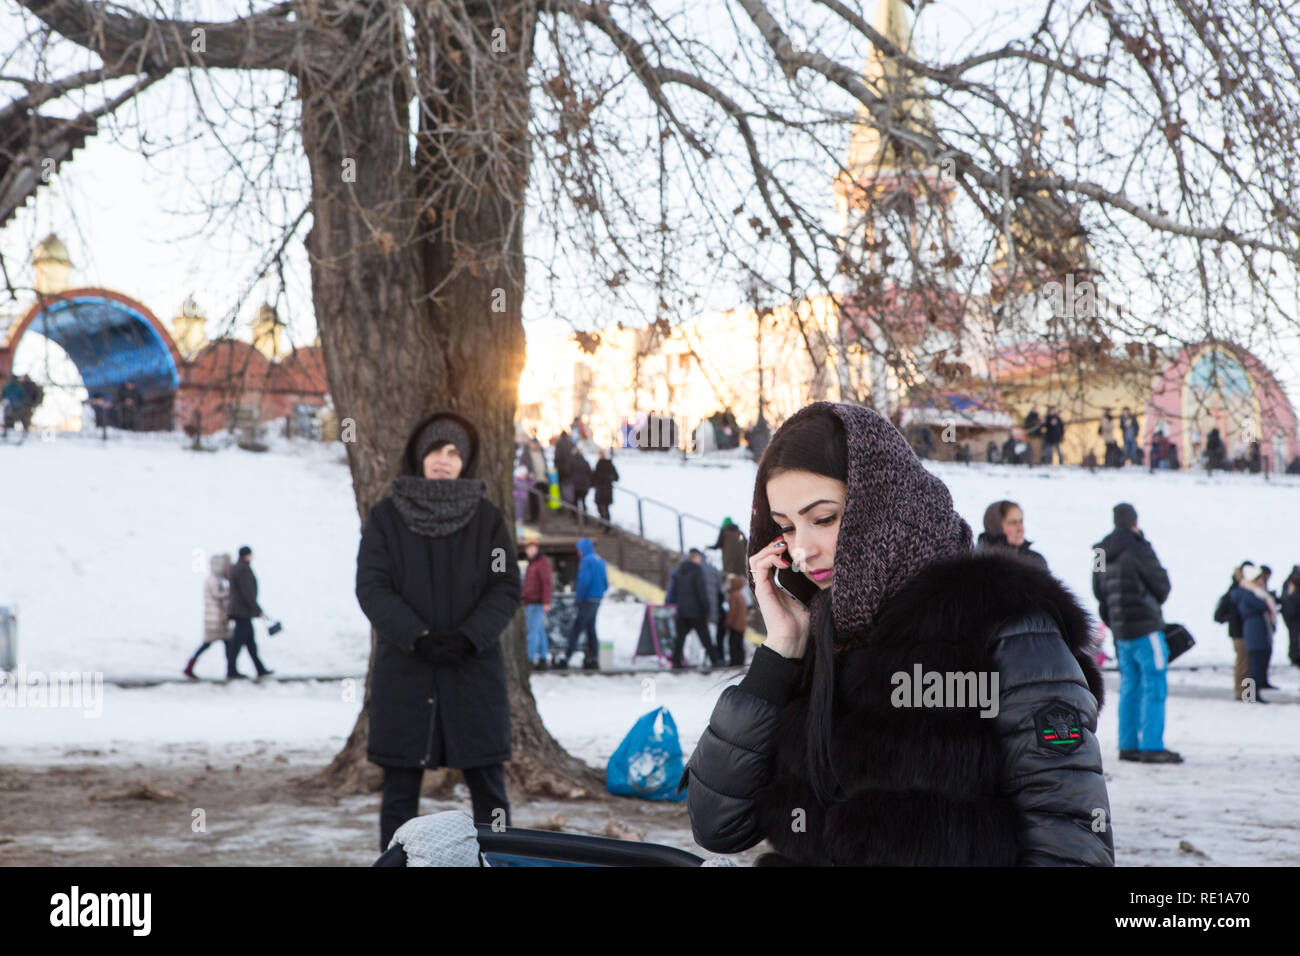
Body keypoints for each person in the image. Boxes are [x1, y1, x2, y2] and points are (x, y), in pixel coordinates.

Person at [682, 401, 1113, 865]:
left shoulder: (1007, 626)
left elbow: (1072, 847)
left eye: (824, 518)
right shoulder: (818, 633)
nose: (802, 550)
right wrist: (780, 652)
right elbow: (718, 825)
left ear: (885, 505)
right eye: (785, 528)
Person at [355, 410, 521, 850]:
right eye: (434, 449)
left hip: (472, 670)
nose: (443, 459)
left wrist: (470, 636)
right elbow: (372, 586)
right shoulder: (386, 518)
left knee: (490, 791)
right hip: (407, 671)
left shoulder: (488, 520)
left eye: (453, 452)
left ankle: (501, 862)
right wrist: (419, 636)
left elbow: (504, 585)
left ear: (465, 461)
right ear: (418, 455)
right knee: (399, 791)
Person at [1092, 503, 1179, 763]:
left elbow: (1098, 590)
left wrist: (1114, 615)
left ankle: (1127, 744)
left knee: (1130, 685)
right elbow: (1162, 585)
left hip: (1120, 629)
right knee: (1155, 684)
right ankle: (1152, 746)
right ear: (1134, 522)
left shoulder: (1100, 551)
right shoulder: (1140, 546)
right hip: (1146, 627)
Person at [183, 553, 233, 679]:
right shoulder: (213, 580)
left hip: (217, 618)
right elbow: (218, 595)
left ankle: (231, 669)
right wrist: (230, 593)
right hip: (215, 619)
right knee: (209, 644)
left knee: (226, 644)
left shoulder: (218, 580)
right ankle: (190, 666)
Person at [1231, 564, 1276, 703]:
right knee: (1252, 665)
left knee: (1254, 664)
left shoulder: (1252, 593)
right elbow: (1262, 606)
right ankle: (1250, 694)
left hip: (1258, 632)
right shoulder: (1248, 594)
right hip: (1255, 633)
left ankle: (1250, 694)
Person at [226, 546, 272, 679]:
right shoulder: (243, 569)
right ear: (247, 555)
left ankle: (259, 668)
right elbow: (247, 592)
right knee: (238, 643)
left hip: (240, 610)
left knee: (250, 642)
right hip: (243, 611)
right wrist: (256, 609)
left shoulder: (236, 567)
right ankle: (232, 670)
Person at [669, 548, 719, 670]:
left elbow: (674, 591)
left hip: (682, 610)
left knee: (680, 638)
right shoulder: (697, 570)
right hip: (696, 611)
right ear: (695, 558)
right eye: (699, 558)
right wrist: (706, 608)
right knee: (705, 637)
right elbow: (701, 591)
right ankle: (715, 661)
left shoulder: (679, 571)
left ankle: (676, 661)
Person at [562, 536, 606, 670]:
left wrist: (579, 598)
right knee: (591, 629)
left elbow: (584, 581)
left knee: (577, 628)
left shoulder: (586, 561)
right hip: (597, 599)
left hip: (587, 600)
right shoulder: (599, 560)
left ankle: (566, 657)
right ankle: (594, 658)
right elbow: (605, 582)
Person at [974, 500, 1048, 570]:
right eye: (1013, 522)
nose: (1020, 529)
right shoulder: (979, 563)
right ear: (995, 526)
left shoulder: (1035, 561)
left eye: (1021, 521)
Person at [1214, 562, 1249, 700]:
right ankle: (1245, 694)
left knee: (1244, 664)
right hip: (1240, 633)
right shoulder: (1238, 592)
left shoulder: (1233, 591)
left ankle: (1244, 693)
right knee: (1244, 664)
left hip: (1238, 632)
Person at [521, 539, 553, 670]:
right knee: (539, 632)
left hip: (537, 602)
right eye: (528, 548)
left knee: (532, 632)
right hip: (530, 601)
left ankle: (529, 659)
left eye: (533, 548)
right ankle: (543, 658)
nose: (530, 551)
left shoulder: (541, 563)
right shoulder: (532, 564)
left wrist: (546, 601)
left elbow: (546, 583)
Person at [721, 573, 749, 667]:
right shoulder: (741, 595)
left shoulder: (733, 595)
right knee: (739, 644)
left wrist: (728, 622)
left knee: (733, 644)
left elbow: (732, 611)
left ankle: (734, 662)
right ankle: (740, 661)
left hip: (735, 625)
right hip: (741, 625)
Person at [522, 438, 549, 523]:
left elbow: (545, 464)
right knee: (533, 500)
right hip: (533, 480)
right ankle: (534, 518)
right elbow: (522, 465)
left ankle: (542, 518)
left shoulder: (541, 452)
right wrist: (529, 472)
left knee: (543, 499)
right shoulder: (526, 454)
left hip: (542, 479)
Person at [592, 449, 619, 527]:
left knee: (605, 508)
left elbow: (616, 477)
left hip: (605, 490)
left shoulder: (608, 464)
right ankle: (603, 523)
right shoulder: (600, 464)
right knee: (601, 507)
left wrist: (607, 479)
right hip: (602, 489)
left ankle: (606, 525)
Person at [1281, 566, 1300, 668]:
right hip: (1292, 617)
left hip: (1294, 616)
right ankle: (1294, 657)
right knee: (1294, 639)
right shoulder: (1289, 585)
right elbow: (1286, 601)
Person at [568, 445, 593, 518]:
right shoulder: (585, 461)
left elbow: (568, 471)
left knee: (575, 502)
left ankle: (575, 518)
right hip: (584, 486)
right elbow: (589, 472)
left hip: (576, 485)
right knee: (583, 502)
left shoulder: (572, 461)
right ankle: (584, 519)